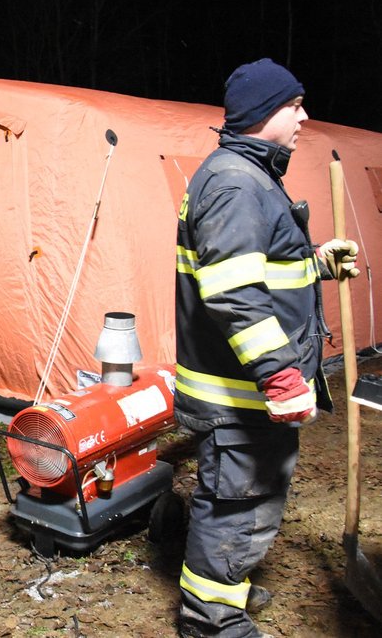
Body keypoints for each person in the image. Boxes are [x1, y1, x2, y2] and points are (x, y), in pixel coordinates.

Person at [174, 58, 359, 637]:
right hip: (242, 393)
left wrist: (317, 263)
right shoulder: (236, 183)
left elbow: (260, 269)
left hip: (246, 388)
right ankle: (211, 622)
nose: (305, 115)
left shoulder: (248, 175)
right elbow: (233, 293)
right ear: (264, 113)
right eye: (295, 105)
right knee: (237, 507)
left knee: (248, 505)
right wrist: (281, 376)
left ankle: (228, 588)